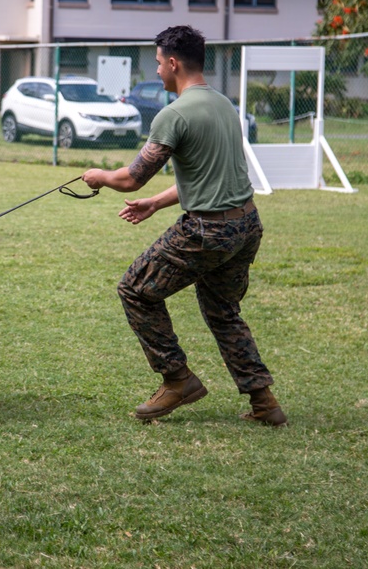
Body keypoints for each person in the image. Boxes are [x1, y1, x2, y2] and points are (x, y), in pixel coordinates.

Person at [82, 25, 286, 426]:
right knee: (223, 310)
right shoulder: (224, 105)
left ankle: (177, 380)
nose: (157, 71)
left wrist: (99, 175)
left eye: (158, 63)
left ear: (173, 63)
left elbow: (130, 178)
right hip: (245, 225)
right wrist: (157, 203)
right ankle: (265, 403)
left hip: (207, 231)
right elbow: (213, 175)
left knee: (135, 290)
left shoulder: (173, 115)